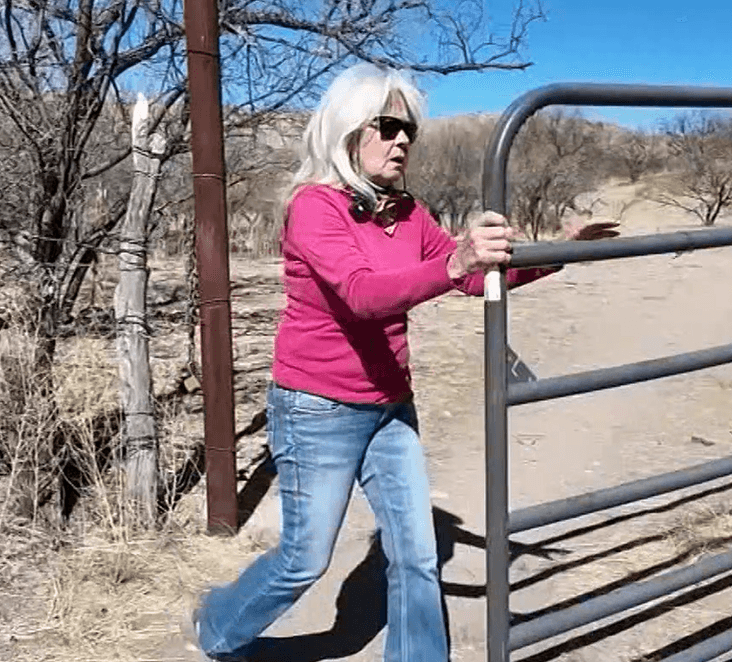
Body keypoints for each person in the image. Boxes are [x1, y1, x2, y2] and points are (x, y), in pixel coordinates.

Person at [188, 63, 618, 662]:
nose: (402, 141)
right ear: (347, 130)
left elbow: (474, 279)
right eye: (387, 127)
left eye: (408, 130)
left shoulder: (407, 212)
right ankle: (216, 624)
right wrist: (455, 262)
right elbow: (362, 294)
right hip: (318, 409)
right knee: (304, 560)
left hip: (390, 407)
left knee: (417, 555)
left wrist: (558, 253)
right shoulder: (315, 207)